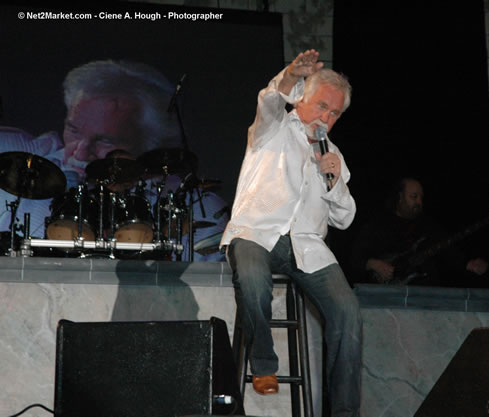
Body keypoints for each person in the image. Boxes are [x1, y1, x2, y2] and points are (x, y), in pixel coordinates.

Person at [220, 50, 362, 415]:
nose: (326, 118)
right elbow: (269, 100)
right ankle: (263, 363)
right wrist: (289, 76)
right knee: (253, 277)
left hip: (307, 246)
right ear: (301, 99)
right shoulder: (275, 128)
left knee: (348, 312)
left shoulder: (334, 155)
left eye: (334, 113)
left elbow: (345, 218)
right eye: (322, 107)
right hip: (257, 232)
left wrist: (334, 180)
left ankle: (345, 411)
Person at [0, 60, 227, 260]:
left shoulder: (192, 204)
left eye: (105, 140)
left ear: (150, 144)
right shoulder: (36, 173)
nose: (80, 153)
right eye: (74, 130)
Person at [350, 177, 489, 286]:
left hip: (426, 295)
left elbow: (448, 250)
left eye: (421, 197)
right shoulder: (378, 225)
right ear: (400, 197)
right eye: (414, 196)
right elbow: (355, 256)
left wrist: (468, 264)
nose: (419, 202)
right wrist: (374, 264)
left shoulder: (429, 226)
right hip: (388, 298)